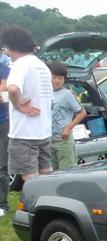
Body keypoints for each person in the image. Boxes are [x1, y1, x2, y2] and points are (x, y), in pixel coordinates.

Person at [0, 26, 53, 185]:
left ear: (12, 46)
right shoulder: (42, 65)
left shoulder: (20, 65)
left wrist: (18, 105)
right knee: (46, 173)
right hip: (43, 130)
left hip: (24, 133)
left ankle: (36, 202)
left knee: (30, 180)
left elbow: (13, 88)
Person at [49, 62, 86, 171]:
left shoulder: (67, 94)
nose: (56, 81)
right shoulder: (46, 93)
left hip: (63, 139)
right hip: (49, 140)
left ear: (64, 79)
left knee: (67, 172)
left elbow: (82, 113)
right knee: (51, 173)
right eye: (54, 77)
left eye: (60, 78)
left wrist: (68, 128)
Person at [0, 52, 9, 217]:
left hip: (2, 122)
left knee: (1, 165)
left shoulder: (4, 69)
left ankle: (2, 204)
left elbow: (4, 89)